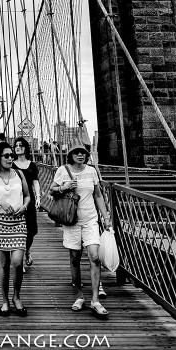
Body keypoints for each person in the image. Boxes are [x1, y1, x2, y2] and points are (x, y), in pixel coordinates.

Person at [50, 139, 112, 318]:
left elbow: (98, 195)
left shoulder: (92, 171)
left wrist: (106, 217)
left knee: (94, 256)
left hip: (91, 220)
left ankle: (95, 300)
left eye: (83, 152)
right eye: (76, 152)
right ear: (71, 155)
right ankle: (79, 295)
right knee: (75, 258)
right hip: (71, 221)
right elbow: (52, 190)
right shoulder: (63, 170)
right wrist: (64, 187)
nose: (80, 155)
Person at [0, 142, 30, 317]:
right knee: (4, 264)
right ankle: (5, 301)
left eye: (12, 155)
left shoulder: (19, 174)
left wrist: (24, 206)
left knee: (17, 262)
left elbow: (27, 195)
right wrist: (0, 202)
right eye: (7, 156)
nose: (11, 158)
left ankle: (16, 296)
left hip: (18, 222)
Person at [13, 136, 41, 267]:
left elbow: (35, 181)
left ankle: (27, 250)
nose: (18, 147)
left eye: (21, 145)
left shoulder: (32, 165)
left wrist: (39, 196)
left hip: (29, 199)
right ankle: (19, 259)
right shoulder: (11, 164)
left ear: (26, 148)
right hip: (15, 199)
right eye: (16, 146)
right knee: (18, 229)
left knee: (31, 229)